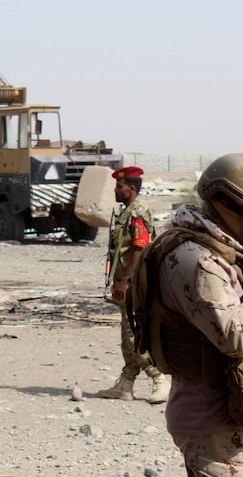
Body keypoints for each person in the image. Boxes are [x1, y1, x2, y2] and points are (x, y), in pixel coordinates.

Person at [157, 153, 243, 475]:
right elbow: (234, 337)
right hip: (214, 428)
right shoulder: (195, 260)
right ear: (224, 202)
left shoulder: (227, 251)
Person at [98, 165, 171, 404]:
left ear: (130, 188)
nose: (116, 191)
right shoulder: (126, 212)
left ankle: (159, 377)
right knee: (125, 334)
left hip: (132, 284)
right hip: (124, 282)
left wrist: (127, 281)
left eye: (119, 187)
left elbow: (141, 248)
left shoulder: (137, 212)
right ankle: (126, 382)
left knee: (133, 334)